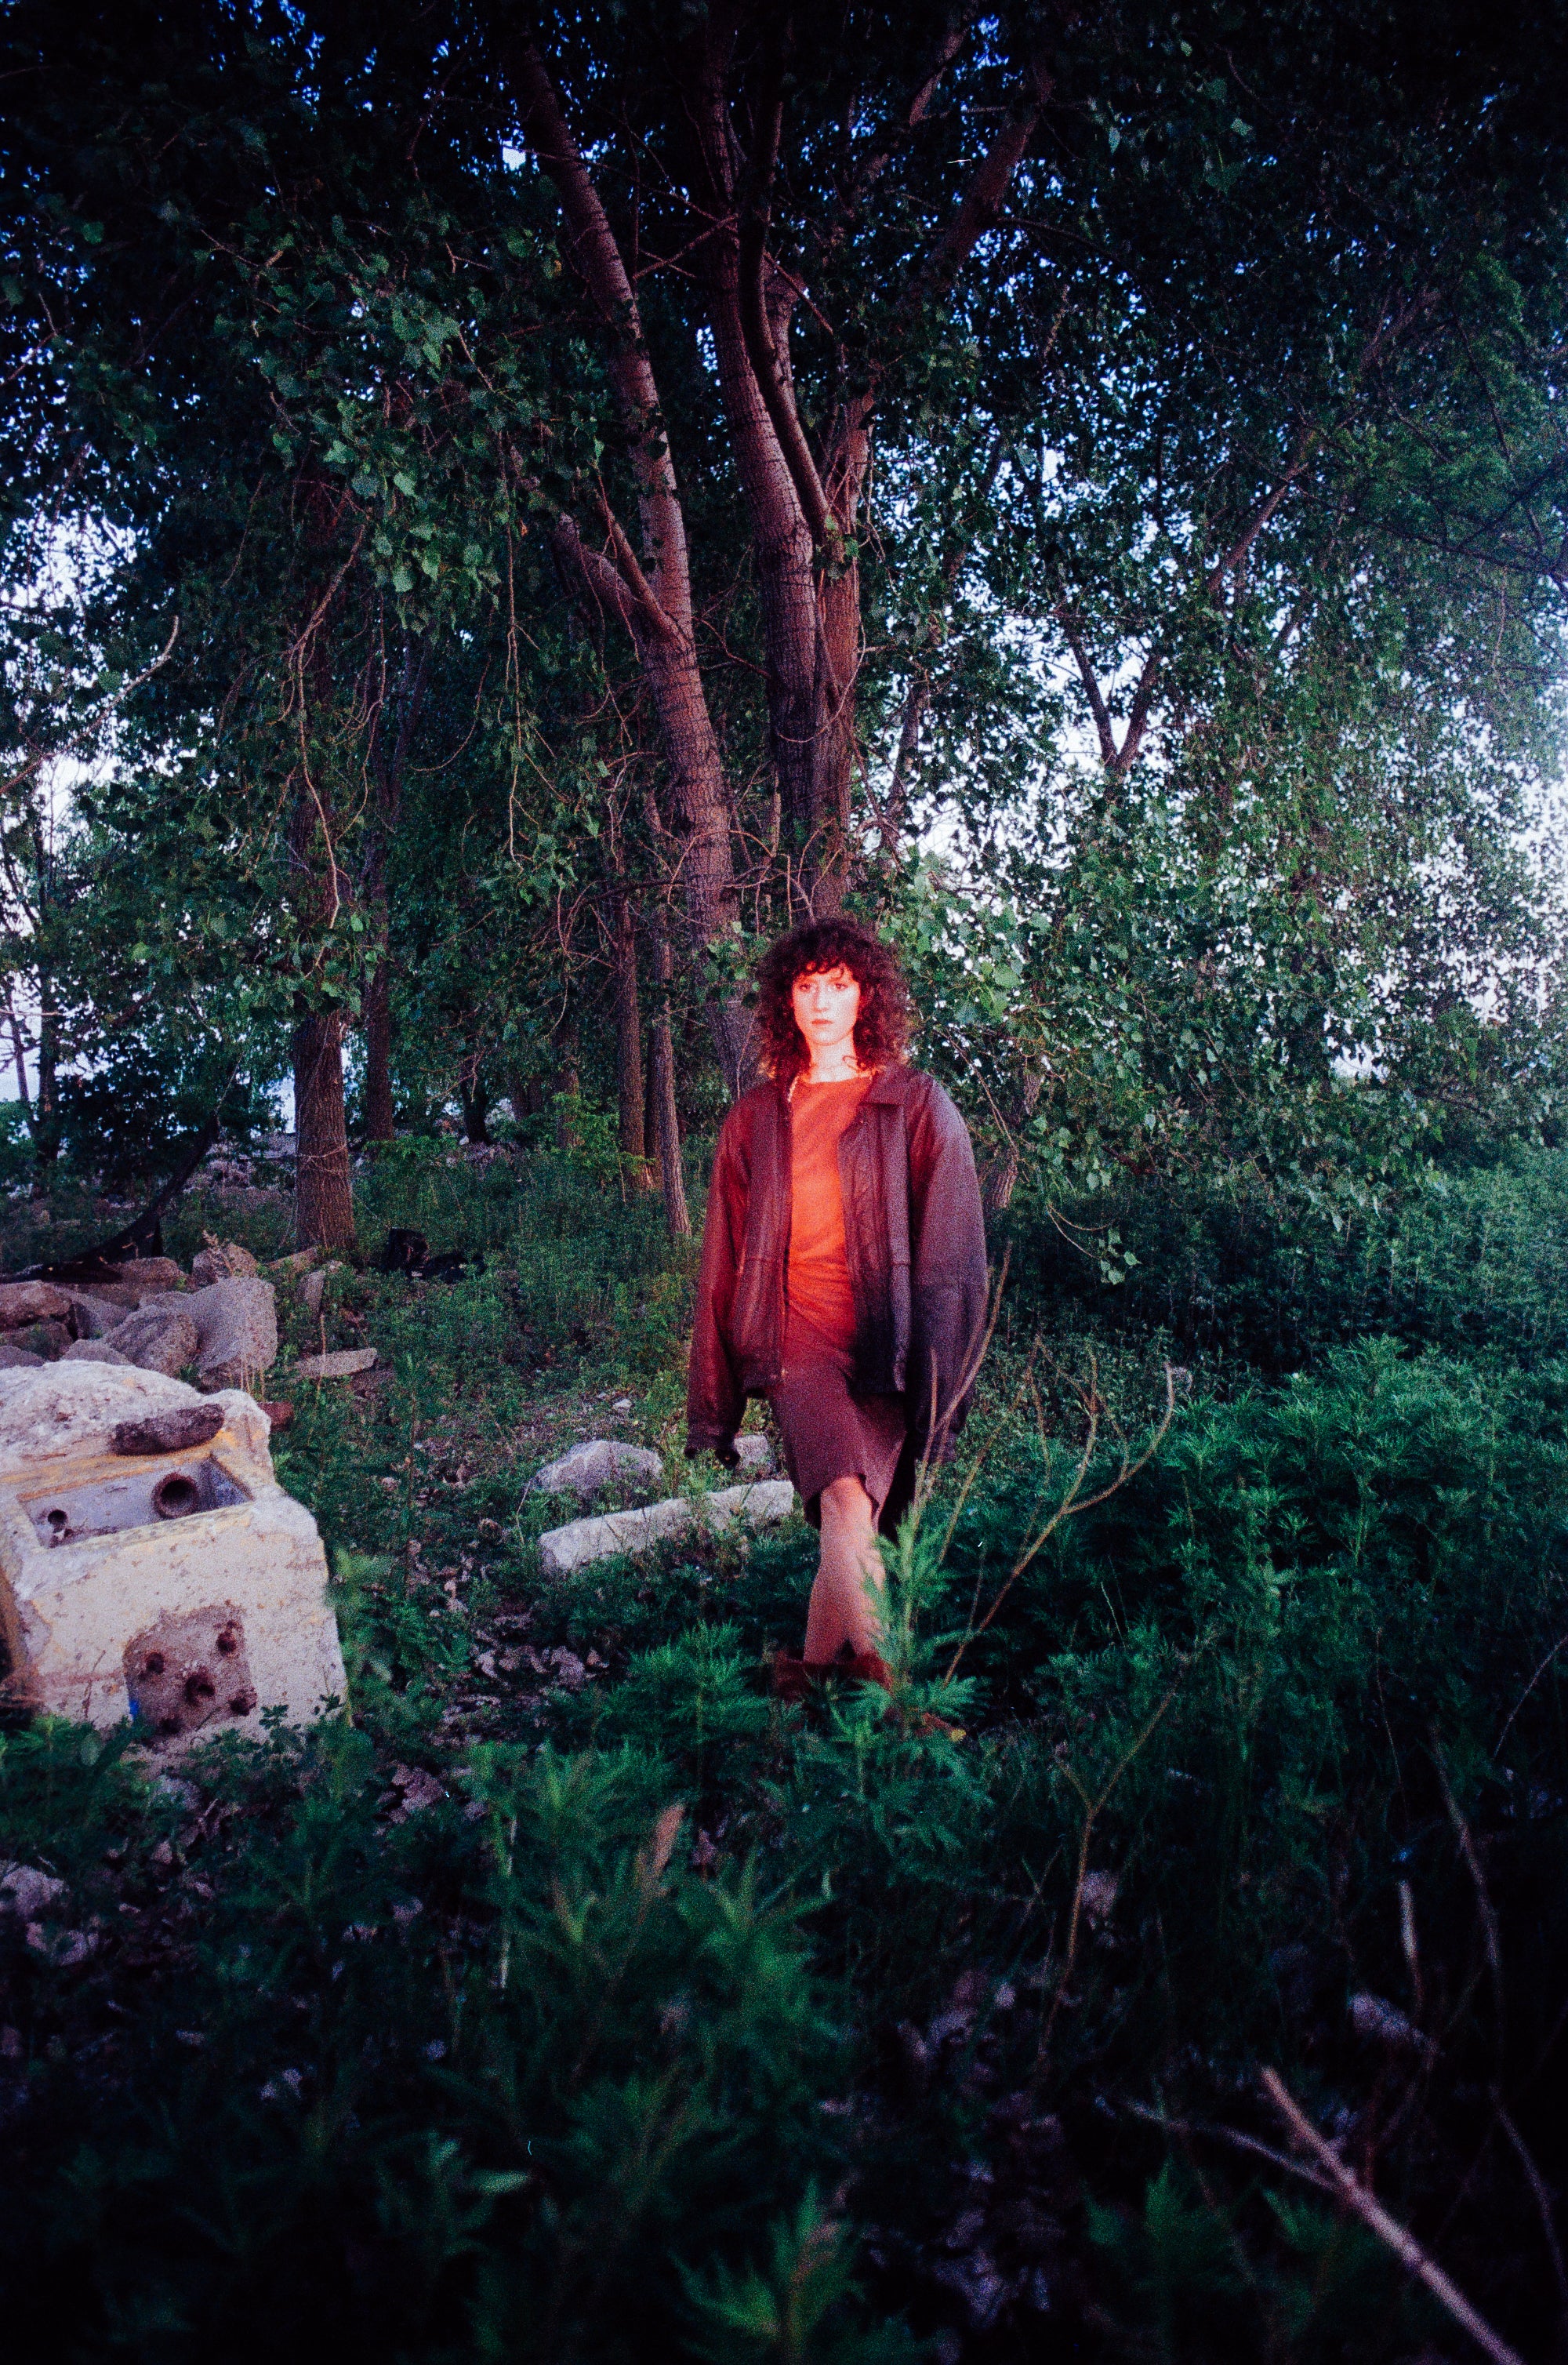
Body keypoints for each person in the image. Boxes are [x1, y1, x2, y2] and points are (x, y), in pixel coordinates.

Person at [687, 917, 989, 1698]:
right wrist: (713, 1406)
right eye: (806, 985)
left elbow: (953, 1256)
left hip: (884, 1342)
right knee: (847, 1499)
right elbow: (722, 1262)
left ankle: (805, 1693)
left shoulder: (913, 1103)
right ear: (785, 1000)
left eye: (839, 984)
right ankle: (895, 1706)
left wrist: (941, 1382)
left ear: (866, 997)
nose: (821, 1002)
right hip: (796, 1337)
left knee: (848, 1524)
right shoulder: (755, 1118)